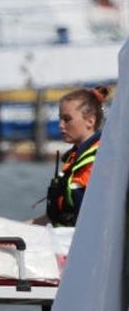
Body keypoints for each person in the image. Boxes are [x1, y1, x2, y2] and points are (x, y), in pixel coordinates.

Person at [38, 87, 109, 227]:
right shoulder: (74, 159)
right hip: (61, 239)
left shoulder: (100, 161)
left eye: (67, 119)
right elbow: (55, 218)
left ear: (90, 121)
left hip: (80, 244)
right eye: (60, 119)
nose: (60, 125)